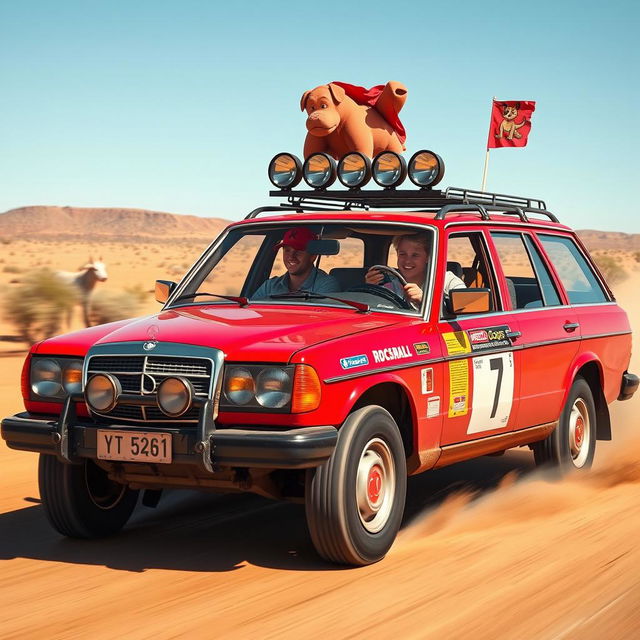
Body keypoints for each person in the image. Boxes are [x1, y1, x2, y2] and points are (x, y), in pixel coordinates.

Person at [365, 233, 465, 305]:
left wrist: (425, 301)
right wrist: (369, 290)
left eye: (415, 255)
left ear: (428, 258)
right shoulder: (388, 282)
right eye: (402, 254)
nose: (407, 261)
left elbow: (466, 308)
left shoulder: (446, 281)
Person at [252, 227, 339, 298]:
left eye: (299, 250)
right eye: (287, 250)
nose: (291, 256)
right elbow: (251, 312)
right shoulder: (270, 286)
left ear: (313, 256)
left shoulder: (325, 284)